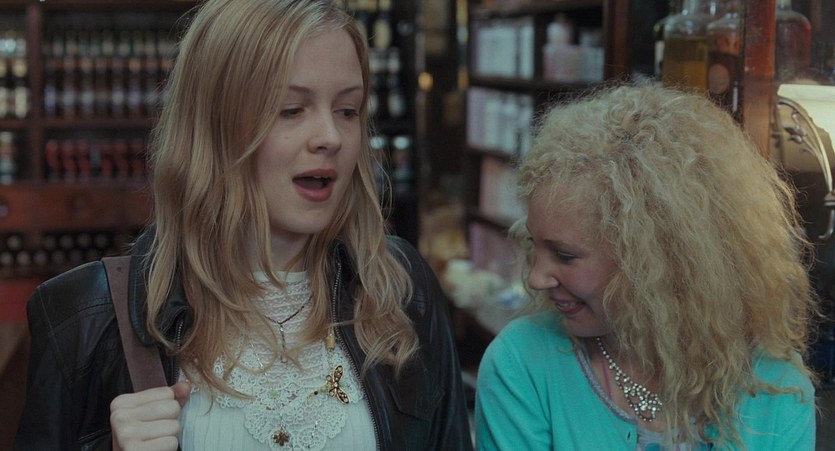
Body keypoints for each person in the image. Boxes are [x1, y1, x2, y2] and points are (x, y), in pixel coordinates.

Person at [15, 1, 472, 450]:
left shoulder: (399, 288)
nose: (331, 137)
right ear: (212, 126)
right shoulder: (86, 317)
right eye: (291, 109)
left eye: (347, 110)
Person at [475, 84, 819, 450]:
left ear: (657, 259)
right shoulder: (523, 363)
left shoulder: (775, 386)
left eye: (565, 255)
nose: (536, 278)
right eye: (534, 244)